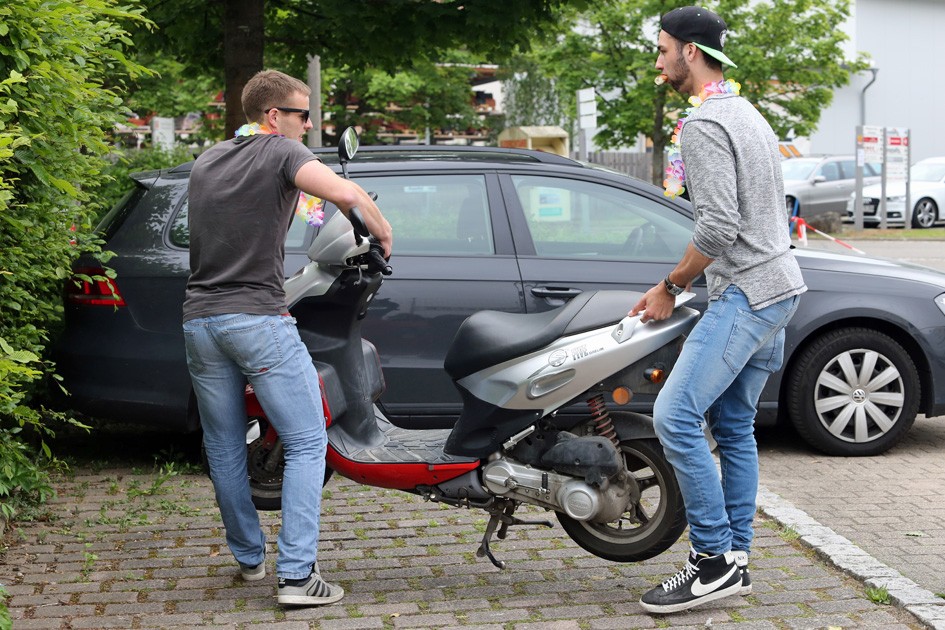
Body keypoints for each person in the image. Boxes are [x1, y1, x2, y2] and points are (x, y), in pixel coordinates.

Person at [182, 69, 392, 607]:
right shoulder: (280, 151)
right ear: (274, 116)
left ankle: (250, 558)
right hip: (256, 319)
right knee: (306, 439)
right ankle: (298, 576)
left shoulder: (208, 159)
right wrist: (383, 232)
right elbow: (344, 192)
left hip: (200, 322)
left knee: (224, 445)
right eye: (303, 114)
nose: (310, 124)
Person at [630, 6, 806, 614]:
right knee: (733, 426)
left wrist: (669, 285)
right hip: (779, 287)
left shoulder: (704, 124)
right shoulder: (747, 112)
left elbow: (719, 227)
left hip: (748, 294)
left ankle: (711, 561)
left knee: (675, 416)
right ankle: (738, 559)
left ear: (690, 51)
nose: (658, 62)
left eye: (663, 50)